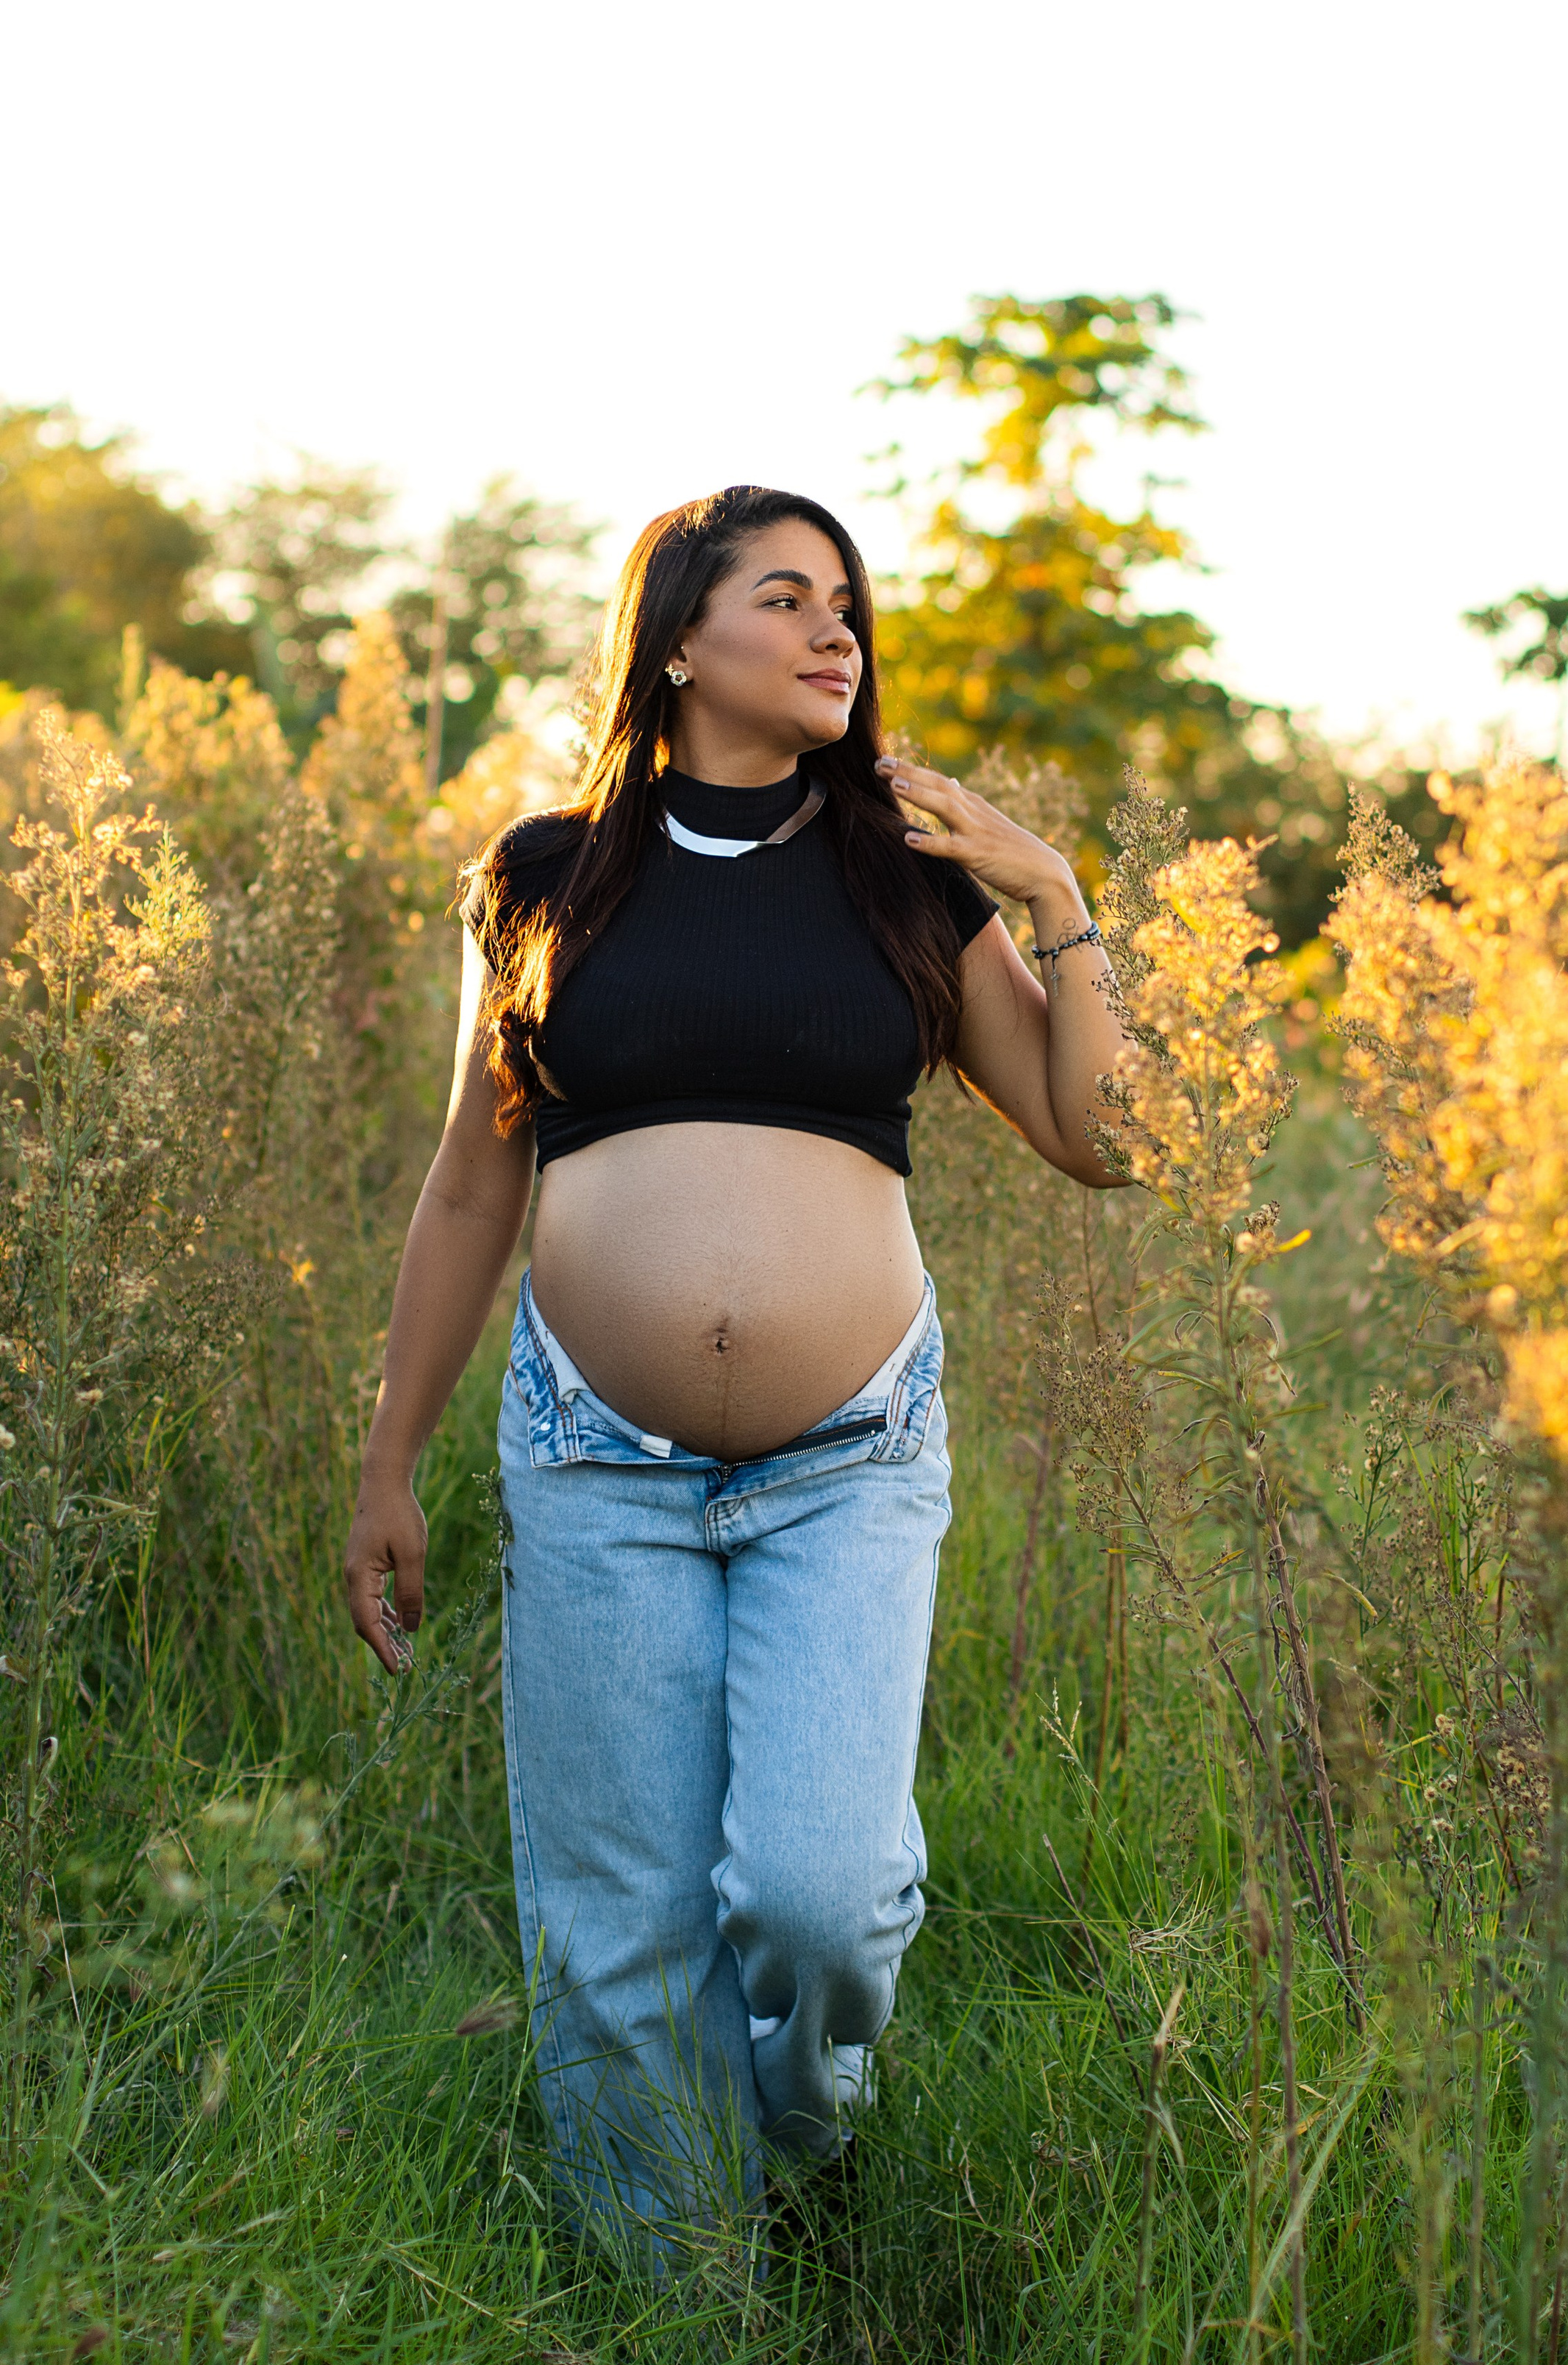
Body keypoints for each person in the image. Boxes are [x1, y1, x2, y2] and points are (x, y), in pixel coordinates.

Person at [342, 483, 1125, 2262]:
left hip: (845, 1456)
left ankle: (793, 2137)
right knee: (622, 1925)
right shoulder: (546, 878)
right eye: (786, 597)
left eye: (847, 601)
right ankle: (681, 2326)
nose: (835, 628)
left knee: (818, 1899)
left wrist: (1053, 893)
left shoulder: (905, 876)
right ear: (677, 637)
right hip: (590, 1454)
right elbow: (473, 1180)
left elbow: (1108, 1141)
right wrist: (389, 1458)